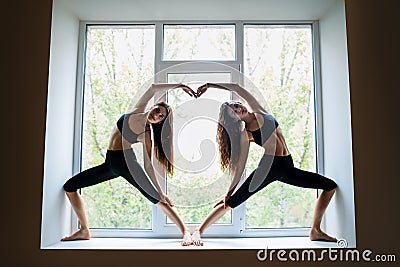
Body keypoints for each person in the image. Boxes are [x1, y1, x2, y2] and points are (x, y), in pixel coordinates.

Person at [191, 82, 337, 246]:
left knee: (329, 185)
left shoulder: (259, 110)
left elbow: (237, 88)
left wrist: (210, 85)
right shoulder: (246, 135)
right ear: (234, 119)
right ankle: (198, 231)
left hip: (288, 166)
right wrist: (229, 192)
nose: (239, 109)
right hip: (269, 168)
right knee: (232, 201)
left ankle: (315, 231)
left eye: (237, 105)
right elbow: (240, 166)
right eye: (234, 111)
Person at [61, 83, 197, 246]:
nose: (157, 115)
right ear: (154, 106)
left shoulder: (146, 134)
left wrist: (160, 192)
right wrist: (179, 86)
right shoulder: (137, 109)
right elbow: (153, 88)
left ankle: (185, 232)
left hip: (127, 164)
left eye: (161, 117)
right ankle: (84, 230)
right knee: (70, 186)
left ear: (159, 122)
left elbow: (148, 166)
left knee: (157, 199)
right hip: (110, 163)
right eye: (158, 110)